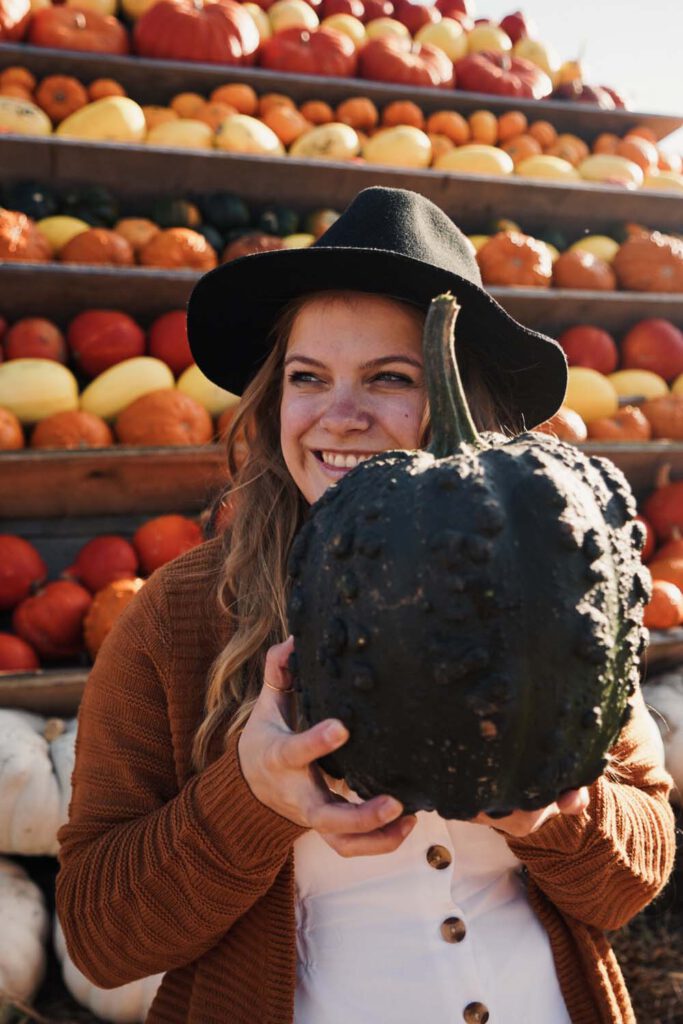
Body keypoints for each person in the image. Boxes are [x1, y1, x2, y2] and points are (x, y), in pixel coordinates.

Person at [56, 186, 675, 1024]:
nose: (338, 416)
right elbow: (100, 938)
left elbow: (633, 877)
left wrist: (555, 817)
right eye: (308, 377)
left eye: (388, 378)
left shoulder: (559, 579)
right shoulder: (181, 613)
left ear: (468, 411)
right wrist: (251, 801)